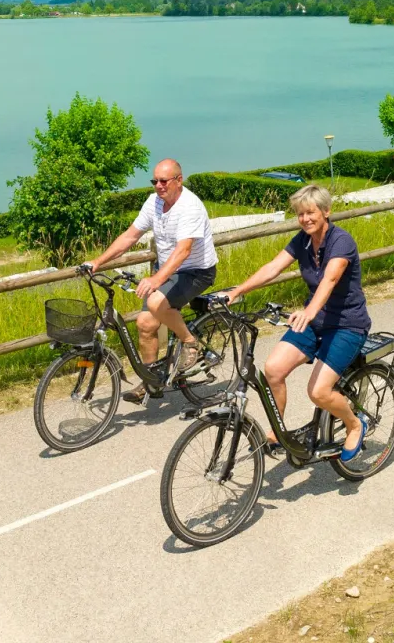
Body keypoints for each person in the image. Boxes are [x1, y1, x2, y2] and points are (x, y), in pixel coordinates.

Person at [226, 184, 371, 461]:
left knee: (318, 392)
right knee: (273, 370)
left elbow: (330, 279)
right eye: (300, 214)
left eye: (310, 212)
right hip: (315, 323)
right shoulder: (302, 240)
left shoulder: (341, 241)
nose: (305, 219)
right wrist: (237, 291)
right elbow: (273, 267)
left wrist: (309, 311)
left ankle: (354, 425)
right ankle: (279, 432)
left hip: (346, 324)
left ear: (326, 211)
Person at [87, 158, 217, 404]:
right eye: (154, 181)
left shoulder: (190, 207)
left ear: (179, 180)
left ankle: (190, 342)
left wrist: (157, 279)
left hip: (196, 271)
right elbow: (130, 236)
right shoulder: (154, 202)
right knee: (145, 324)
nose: (158, 185)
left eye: (164, 181)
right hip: (168, 269)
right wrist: (98, 262)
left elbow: (183, 250)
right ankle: (151, 381)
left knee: (157, 303)